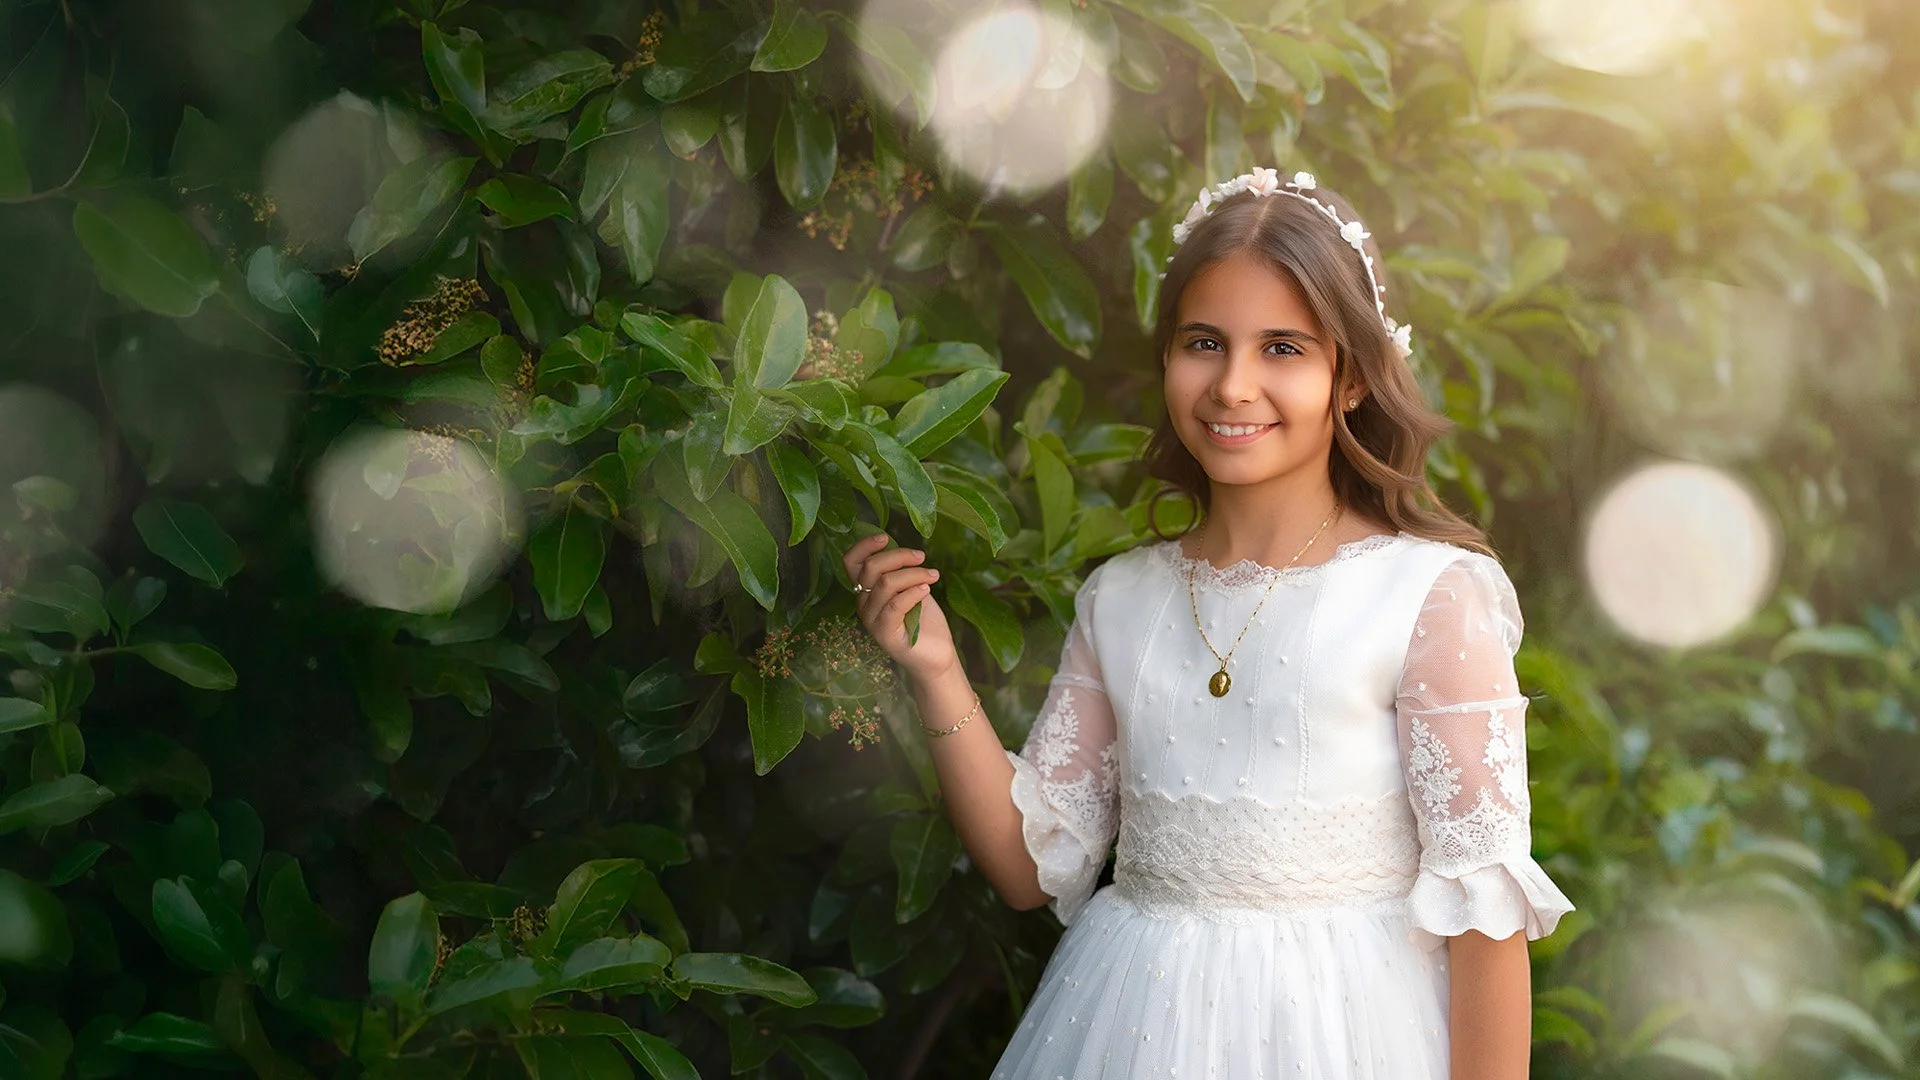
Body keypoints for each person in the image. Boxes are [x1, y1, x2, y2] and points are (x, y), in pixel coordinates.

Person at [842, 166, 1575, 1078]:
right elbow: (1032, 866)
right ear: (1166, 359)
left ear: (1351, 377)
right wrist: (938, 672)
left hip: (1344, 1033)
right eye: (1204, 343)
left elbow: (1486, 911)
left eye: (1283, 349)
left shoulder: (1426, 595)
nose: (1233, 385)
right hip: (1134, 1026)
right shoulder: (1121, 598)